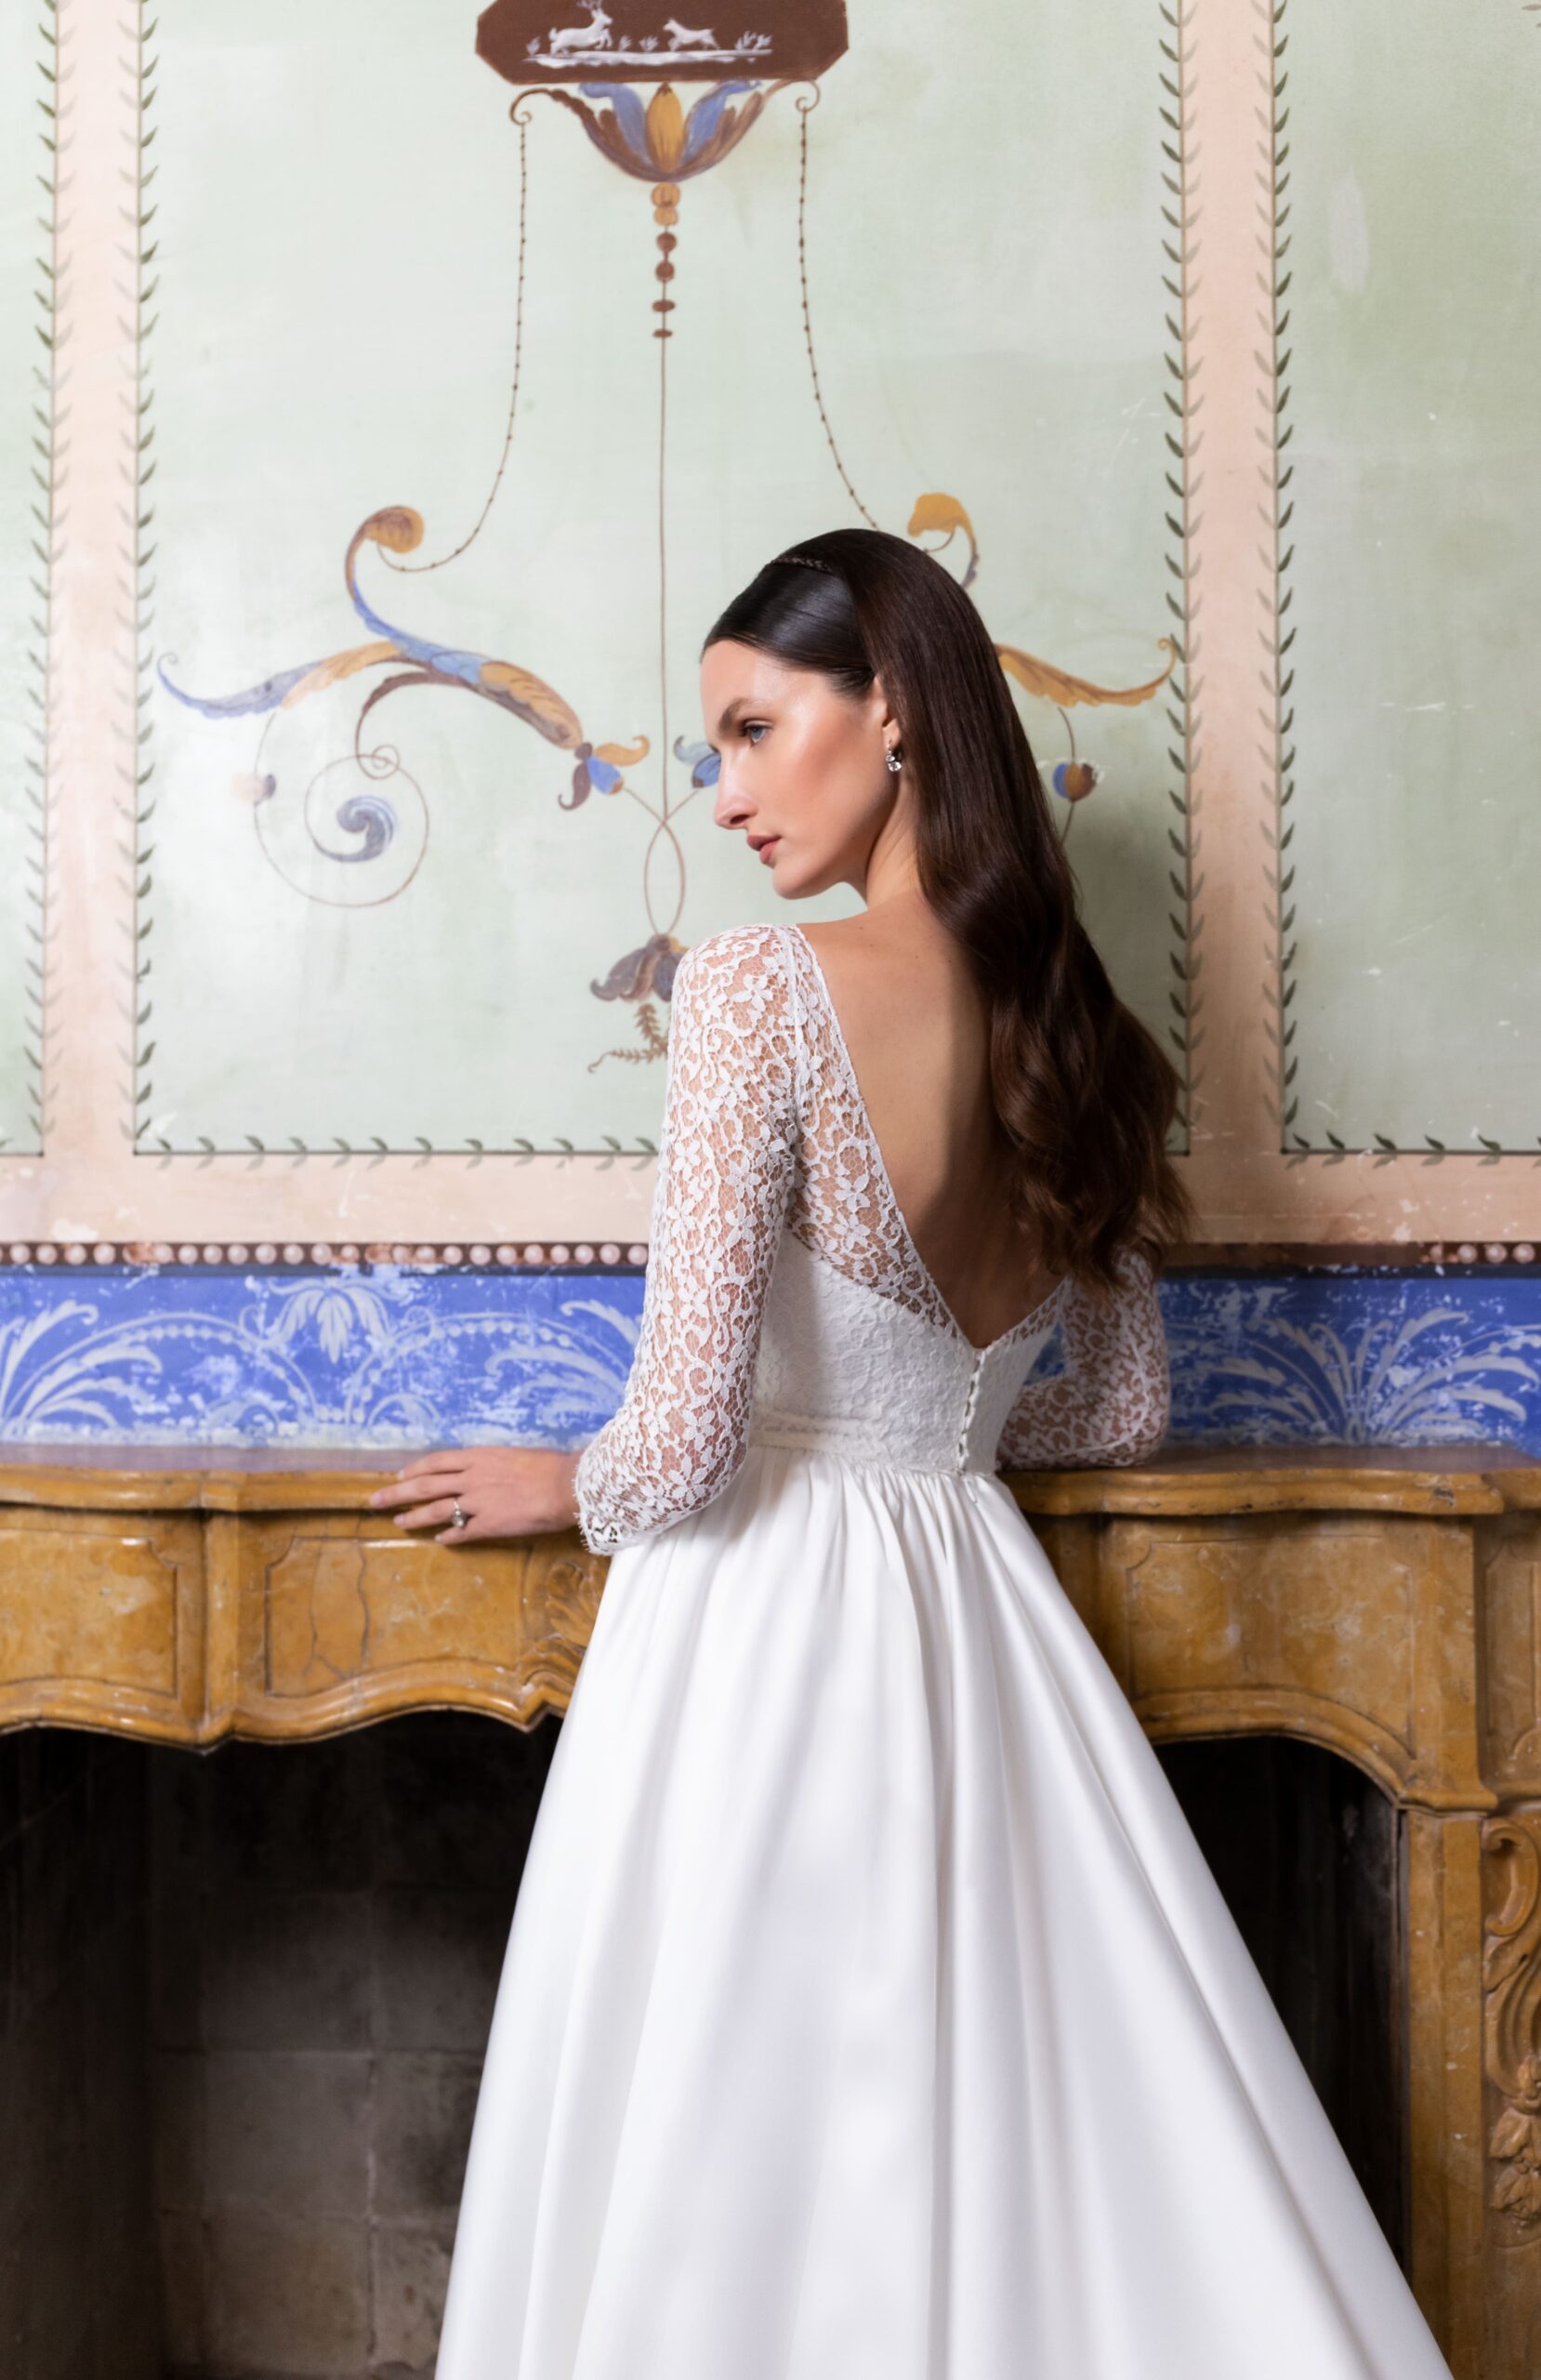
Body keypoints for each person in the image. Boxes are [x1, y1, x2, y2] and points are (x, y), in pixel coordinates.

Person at [371, 530, 1456, 2378]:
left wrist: (568, 1478)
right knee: (1011, 2124)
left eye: (749, 730)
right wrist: (924, 1427)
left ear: (888, 713)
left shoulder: (757, 989)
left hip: (761, 1623)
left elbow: (681, 1444)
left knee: (734, 2138)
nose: (722, 794)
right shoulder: (1079, 1023)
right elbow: (1117, 1407)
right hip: (977, 1616)